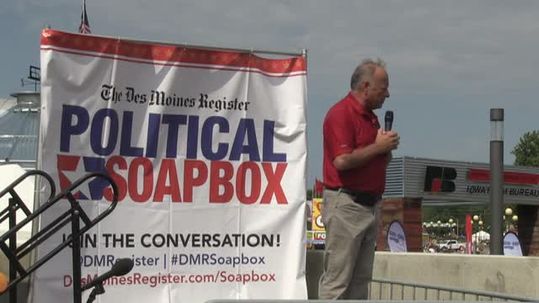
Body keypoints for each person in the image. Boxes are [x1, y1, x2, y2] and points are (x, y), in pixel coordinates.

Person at [318, 58, 399, 300]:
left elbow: (372, 159)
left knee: (360, 281)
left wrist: (384, 150)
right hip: (347, 205)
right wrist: (378, 147)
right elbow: (341, 162)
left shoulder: (370, 118)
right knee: (338, 281)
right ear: (366, 86)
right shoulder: (340, 114)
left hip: (369, 205)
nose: (388, 94)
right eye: (383, 88)